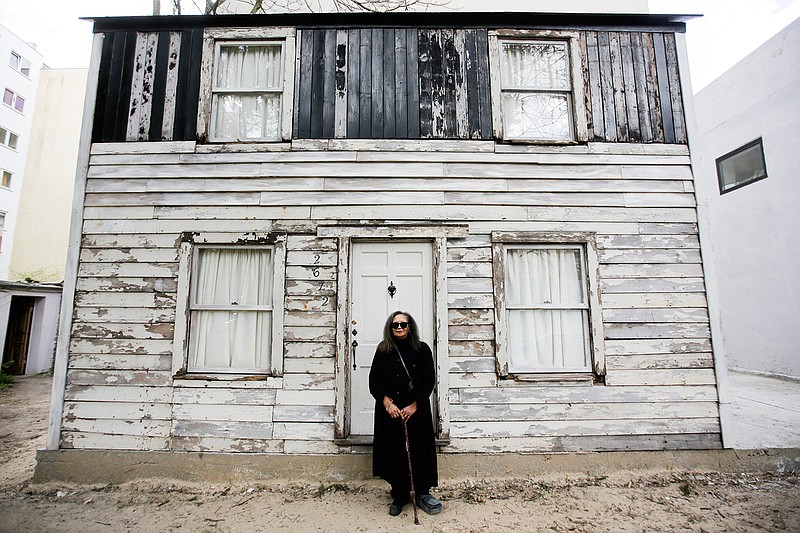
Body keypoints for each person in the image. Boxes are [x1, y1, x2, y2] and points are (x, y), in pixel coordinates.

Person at [369, 310, 443, 517]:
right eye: (396, 325)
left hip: (415, 408)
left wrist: (414, 405)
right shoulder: (383, 350)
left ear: (410, 327)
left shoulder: (422, 349)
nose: (400, 328)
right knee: (394, 451)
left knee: (420, 449)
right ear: (390, 328)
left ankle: (422, 493)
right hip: (391, 410)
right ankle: (399, 494)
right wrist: (386, 403)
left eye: (403, 324)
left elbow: (429, 380)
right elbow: (374, 380)